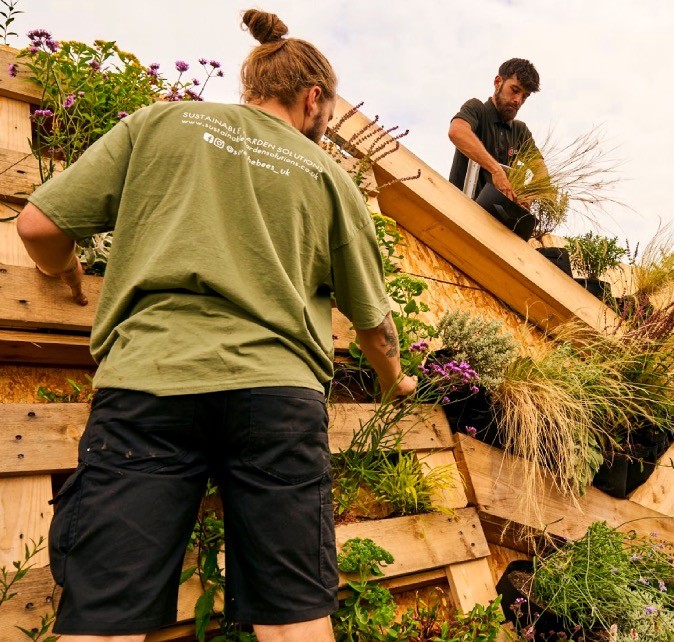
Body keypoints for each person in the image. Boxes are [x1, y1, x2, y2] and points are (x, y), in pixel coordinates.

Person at [16, 9, 416, 642]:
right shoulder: (330, 178)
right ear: (313, 99)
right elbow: (374, 323)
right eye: (328, 117)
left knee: (104, 618)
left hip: (149, 380)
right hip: (277, 399)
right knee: (295, 620)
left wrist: (65, 274)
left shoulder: (158, 123)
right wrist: (396, 380)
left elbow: (39, 227)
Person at [448, 58, 542, 202]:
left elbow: (541, 172)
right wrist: (496, 170)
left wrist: (527, 198)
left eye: (524, 96)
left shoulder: (520, 131)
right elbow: (457, 132)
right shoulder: (476, 109)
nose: (518, 100)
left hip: (494, 221)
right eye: (515, 90)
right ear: (498, 82)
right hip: (457, 209)